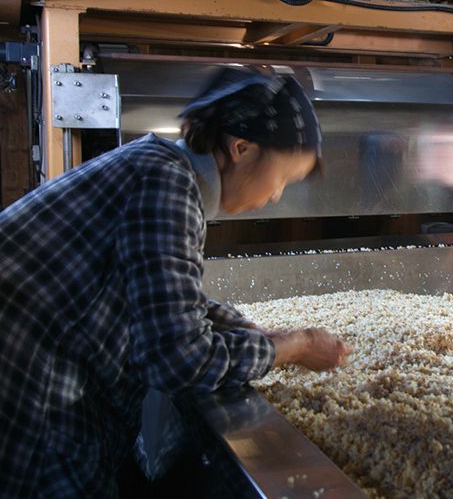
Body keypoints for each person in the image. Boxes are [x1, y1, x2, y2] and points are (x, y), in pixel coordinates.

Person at [0, 67, 351, 498]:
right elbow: (180, 360)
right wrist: (293, 347)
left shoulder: (158, 167)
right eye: (282, 178)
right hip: (30, 397)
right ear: (241, 148)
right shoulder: (167, 186)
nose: (277, 195)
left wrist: (253, 332)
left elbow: (166, 295)